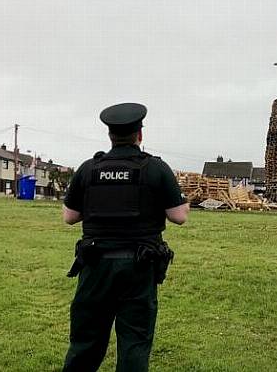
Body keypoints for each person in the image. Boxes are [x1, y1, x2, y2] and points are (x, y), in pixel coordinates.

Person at [61, 103, 189, 372]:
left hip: (96, 266)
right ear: (139, 135)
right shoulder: (156, 169)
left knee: (86, 341)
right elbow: (179, 216)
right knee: (134, 343)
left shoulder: (88, 169)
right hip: (139, 267)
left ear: (110, 135)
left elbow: (70, 217)